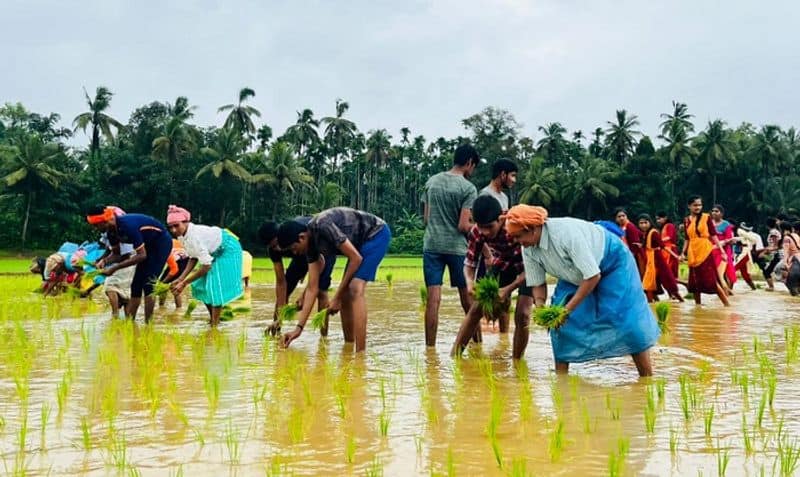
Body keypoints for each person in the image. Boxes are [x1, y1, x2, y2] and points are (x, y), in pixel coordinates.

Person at [505, 205, 660, 377]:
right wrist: (542, 307)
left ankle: (646, 379)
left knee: (625, 319)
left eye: (519, 236)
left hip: (612, 262)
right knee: (560, 328)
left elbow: (593, 276)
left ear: (533, 229)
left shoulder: (565, 235)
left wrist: (566, 310)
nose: (518, 241)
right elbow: (538, 283)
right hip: (574, 273)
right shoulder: (527, 247)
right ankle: (561, 382)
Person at [277, 207, 391, 352]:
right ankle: (349, 346)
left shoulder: (323, 225)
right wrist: (298, 329)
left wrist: (336, 297)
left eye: (293, 248)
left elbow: (356, 258)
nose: (295, 253)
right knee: (346, 294)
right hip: (358, 245)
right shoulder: (310, 247)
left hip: (376, 234)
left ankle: (360, 355)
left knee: (354, 289)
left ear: (302, 237)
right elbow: (313, 288)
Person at [451, 195, 533, 360]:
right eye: (480, 226)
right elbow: (470, 262)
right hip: (502, 264)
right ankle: (455, 357)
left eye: (489, 227)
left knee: (523, 314)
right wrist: (469, 283)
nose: (484, 232)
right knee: (476, 309)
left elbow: (533, 268)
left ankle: (517, 362)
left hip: (529, 266)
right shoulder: (477, 232)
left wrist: (508, 289)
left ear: (501, 218)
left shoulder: (517, 225)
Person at [421, 144, 480, 347]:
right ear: (469, 163)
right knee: (468, 300)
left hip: (432, 245)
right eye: (473, 167)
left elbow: (426, 218)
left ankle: (430, 348)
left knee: (433, 300)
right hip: (456, 249)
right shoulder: (467, 188)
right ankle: (477, 344)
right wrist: (481, 228)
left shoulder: (432, 182)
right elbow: (463, 226)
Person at [86, 206, 173, 323]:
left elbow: (142, 255)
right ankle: (130, 322)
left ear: (105, 221)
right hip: (146, 246)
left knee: (149, 284)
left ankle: (149, 324)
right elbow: (118, 255)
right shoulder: (111, 232)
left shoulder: (127, 226)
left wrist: (114, 268)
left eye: (96, 225)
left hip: (160, 243)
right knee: (136, 285)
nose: (95, 229)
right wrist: (104, 261)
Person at [165, 205, 243, 327]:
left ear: (186, 222)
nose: (173, 230)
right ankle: (214, 318)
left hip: (228, 249)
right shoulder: (181, 236)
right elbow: (193, 257)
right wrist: (181, 278)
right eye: (170, 227)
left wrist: (184, 282)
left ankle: (214, 326)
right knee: (199, 286)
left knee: (214, 286)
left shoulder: (195, 236)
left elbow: (206, 266)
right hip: (214, 252)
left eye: (176, 225)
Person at [259, 219, 337, 336]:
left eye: (276, 244)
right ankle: (276, 329)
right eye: (272, 247)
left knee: (321, 290)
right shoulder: (274, 249)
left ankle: (323, 338)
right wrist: (279, 318)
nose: (277, 249)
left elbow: (318, 269)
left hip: (321, 251)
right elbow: (281, 283)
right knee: (285, 291)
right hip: (300, 255)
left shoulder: (299, 235)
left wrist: (304, 295)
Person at [474, 158, 520, 332]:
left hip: (505, 254)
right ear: (503, 174)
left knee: (505, 298)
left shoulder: (503, 197)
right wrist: (487, 255)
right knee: (485, 299)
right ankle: (478, 338)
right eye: (513, 176)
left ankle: (504, 337)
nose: (514, 180)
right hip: (490, 256)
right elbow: (479, 229)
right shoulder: (485, 195)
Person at [679, 196, 730, 306]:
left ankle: (727, 305)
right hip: (693, 252)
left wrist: (722, 251)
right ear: (689, 206)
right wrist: (682, 252)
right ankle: (698, 306)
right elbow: (687, 238)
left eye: (700, 205)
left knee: (711, 279)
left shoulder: (706, 218)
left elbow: (713, 235)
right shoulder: (686, 220)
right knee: (695, 281)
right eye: (695, 205)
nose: (698, 207)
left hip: (705, 250)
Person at [637, 214, 683, 302]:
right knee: (652, 284)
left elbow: (663, 246)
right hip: (651, 260)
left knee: (653, 283)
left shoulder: (653, 233)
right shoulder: (646, 234)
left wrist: (676, 256)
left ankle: (651, 305)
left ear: (649, 223)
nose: (643, 225)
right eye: (641, 223)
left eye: (645, 223)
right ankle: (654, 303)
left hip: (656, 260)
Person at [710, 205, 737, 292]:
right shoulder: (709, 223)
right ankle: (724, 292)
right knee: (715, 273)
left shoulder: (726, 225)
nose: (714, 213)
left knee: (724, 272)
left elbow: (729, 239)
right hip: (712, 250)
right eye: (713, 211)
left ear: (721, 214)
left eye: (716, 211)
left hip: (723, 251)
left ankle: (727, 291)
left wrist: (722, 243)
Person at [158, 239, 190, 308]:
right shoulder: (172, 241)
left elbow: (174, 269)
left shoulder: (164, 249)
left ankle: (163, 307)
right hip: (184, 260)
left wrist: (164, 282)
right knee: (169, 285)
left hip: (181, 262)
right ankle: (164, 306)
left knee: (170, 286)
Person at [614, 208, 645, 276]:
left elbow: (635, 243)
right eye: (619, 216)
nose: (621, 218)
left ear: (626, 216)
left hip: (634, 254)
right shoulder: (619, 228)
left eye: (623, 216)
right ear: (616, 219)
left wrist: (632, 255)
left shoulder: (630, 226)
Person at [733, 222, 759, 290]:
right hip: (740, 252)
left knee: (733, 269)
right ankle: (754, 288)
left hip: (744, 252)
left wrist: (748, 244)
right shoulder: (732, 232)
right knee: (744, 273)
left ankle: (728, 288)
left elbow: (753, 239)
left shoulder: (739, 231)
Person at [655, 212, 680, 279]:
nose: (658, 221)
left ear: (665, 218)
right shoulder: (663, 227)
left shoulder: (669, 225)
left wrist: (658, 241)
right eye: (657, 219)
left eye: (659, 218)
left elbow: (669, 237)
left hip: (671, 249)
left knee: (670, 268)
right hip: (665, 250)